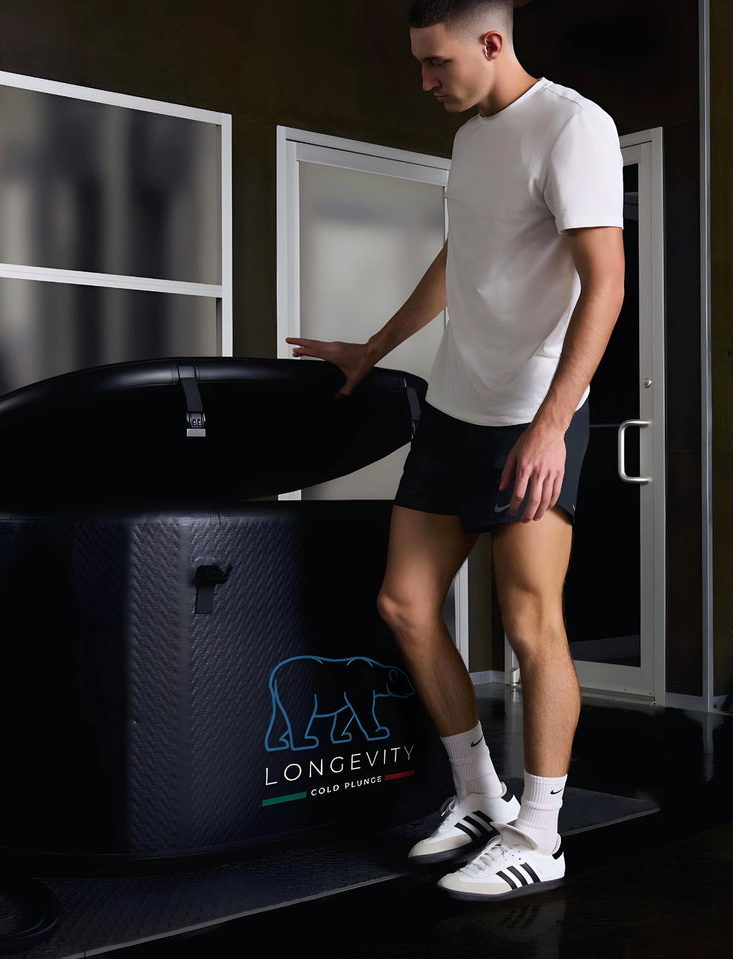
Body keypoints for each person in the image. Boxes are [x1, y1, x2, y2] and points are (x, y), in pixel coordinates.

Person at [287, 0, 625, 900]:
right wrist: (376, 345)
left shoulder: (572, 126)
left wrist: (553, 422)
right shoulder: (475, 138)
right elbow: (462, 256)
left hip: (531, 414)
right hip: (454, 409)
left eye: (437, 64)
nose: (426, 81)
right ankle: (479, 794)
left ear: (492, 40)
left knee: (528, 625)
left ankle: (541, 832)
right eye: (419, 64)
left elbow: (607, 281)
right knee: (404, 602)